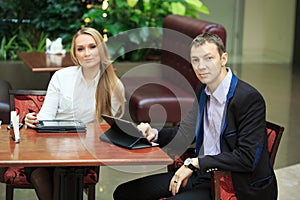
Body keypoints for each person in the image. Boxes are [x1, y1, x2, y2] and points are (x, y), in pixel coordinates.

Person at [113, 33, 277, 200]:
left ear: (223, 59)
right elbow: (185, 132)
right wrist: (154, 133)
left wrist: (194, 163)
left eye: (208, 58)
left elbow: (246, 157)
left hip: (233, 184)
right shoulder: (203, 90)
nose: (201, 66)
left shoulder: (248, 99)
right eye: (195, 60)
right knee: (125, 193)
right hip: (203, 174)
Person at [24, 27, 125, 200]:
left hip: (83, 152)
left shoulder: (114, 87)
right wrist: (32, 120)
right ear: (75, 54)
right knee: (39, 170)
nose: (87, 53)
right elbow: (45, 116)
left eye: (92, 47)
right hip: (48, 149)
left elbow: (111, 130)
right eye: (80, 49)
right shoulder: (61, 77)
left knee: (65, 170)